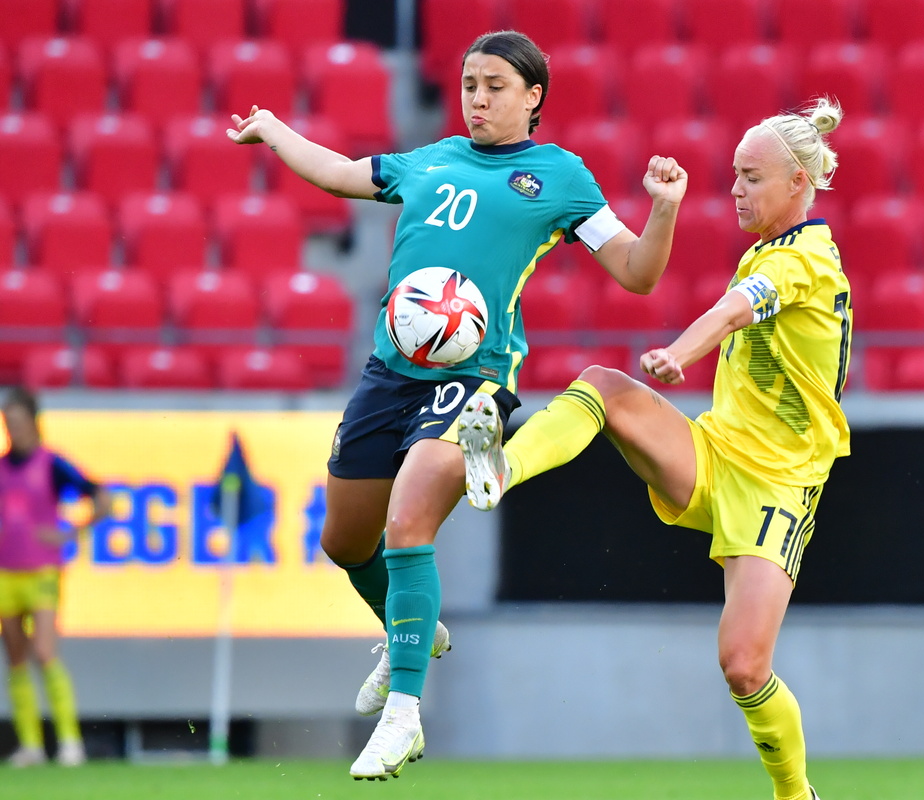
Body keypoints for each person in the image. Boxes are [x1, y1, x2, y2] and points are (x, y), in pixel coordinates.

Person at [226, 30, 686, 779]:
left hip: (474, 378)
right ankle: (413, 629)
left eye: (495, 86)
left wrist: (663, 210)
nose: (478, 98)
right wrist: (274, 129)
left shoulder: (560, 176)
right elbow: (339, 174)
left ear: (533, 97)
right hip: (388, 375)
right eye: (471, 84)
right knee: (345, 541)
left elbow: (636, 273)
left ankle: (403, 715)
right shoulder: (431, 159)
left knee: (409, 520)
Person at [458, 98, 847, 800]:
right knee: (603, 386)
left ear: (798, 182)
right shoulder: (767, 250)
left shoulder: (807, 260)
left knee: (743, 666)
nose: (736, 190)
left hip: (779, 486)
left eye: (751, 178)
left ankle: (797, 795)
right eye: (735, 175)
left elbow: (731, 313)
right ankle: (502, 466)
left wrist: (678, 354)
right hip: (716, 453)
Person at [1, 387, 112, 768]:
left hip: (41, 570)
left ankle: (69, 740)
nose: (13, 428)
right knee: (16, 658)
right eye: (7, 422)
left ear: (33, 421)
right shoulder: (1, 468)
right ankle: (31, 745)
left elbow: (102, 497)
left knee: (45, 652)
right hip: (5, 572)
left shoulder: (52, 464)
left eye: (18, 420)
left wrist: (73, 532)